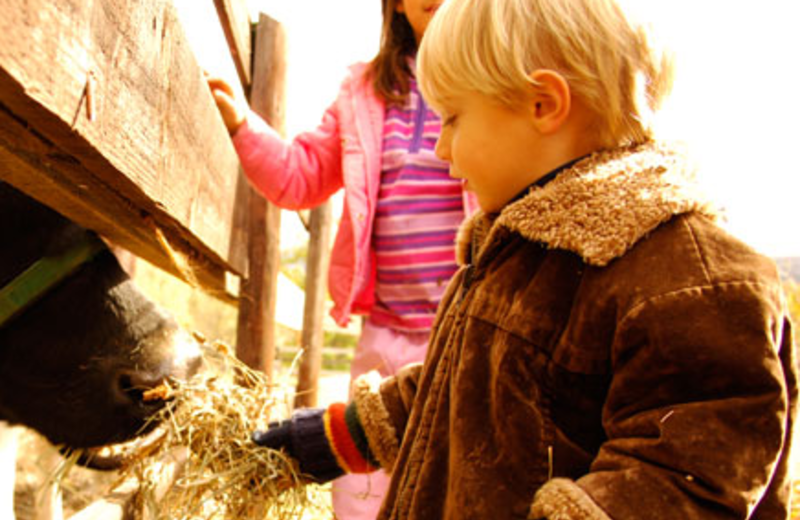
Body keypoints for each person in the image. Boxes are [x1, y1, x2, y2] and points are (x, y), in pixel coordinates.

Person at [250, 0, 799, 518]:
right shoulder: (520, 252)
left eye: (454, 120)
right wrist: (331, 438)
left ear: (543, 105)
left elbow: (686, 478)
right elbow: (460, 391)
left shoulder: (692, 285)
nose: (441, 150)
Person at [207, 1, 476, 518]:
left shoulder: (494, 71)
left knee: (456, 475)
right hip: (385, 332)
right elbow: (301, 175)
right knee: (363, 478)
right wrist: (243, 126)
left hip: (465, 324)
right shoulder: (366, 93)